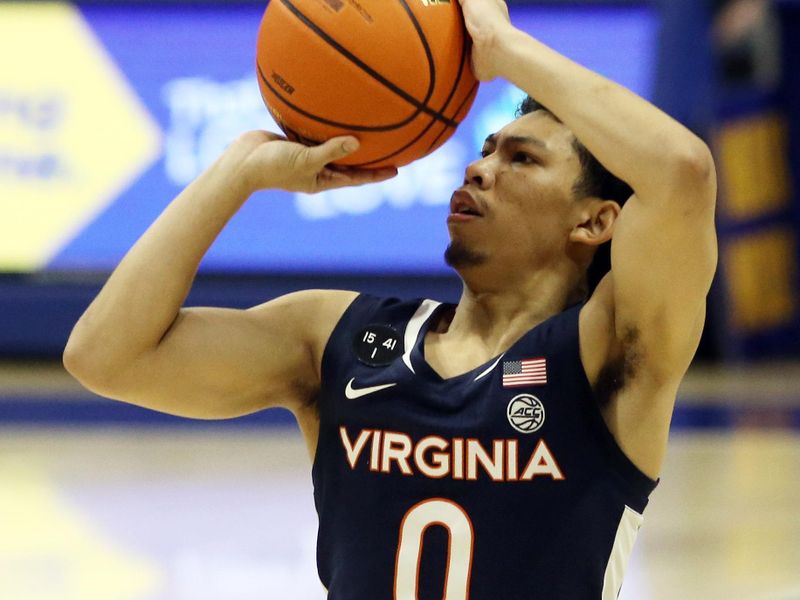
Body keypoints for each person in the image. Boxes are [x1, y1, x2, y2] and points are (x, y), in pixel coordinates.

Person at [63, 0, 718, 597]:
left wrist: (504, 47)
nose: (479, 167)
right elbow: (105, 355)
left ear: (596, 222)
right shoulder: (336, 336)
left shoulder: (605, 355)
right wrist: (236, 174)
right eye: (486, 150)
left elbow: (681, 173)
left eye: (522, 160)